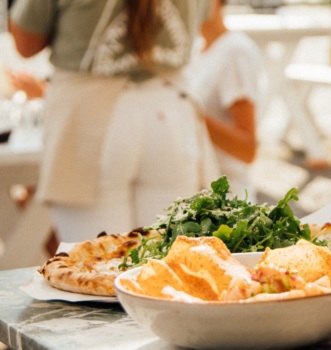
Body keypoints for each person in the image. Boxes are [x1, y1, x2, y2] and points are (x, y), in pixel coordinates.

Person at [8, 0, 219, 243]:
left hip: (92, 119)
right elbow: (206, 15)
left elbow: (25, 43)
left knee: (97, 260)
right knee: (168, 257)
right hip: (170, 115)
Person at [186, 0, 262, 199]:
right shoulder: (196, 50)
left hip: (226, 197)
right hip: (196, 191)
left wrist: (189, 115)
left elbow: (247, 149)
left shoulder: (236, 51)